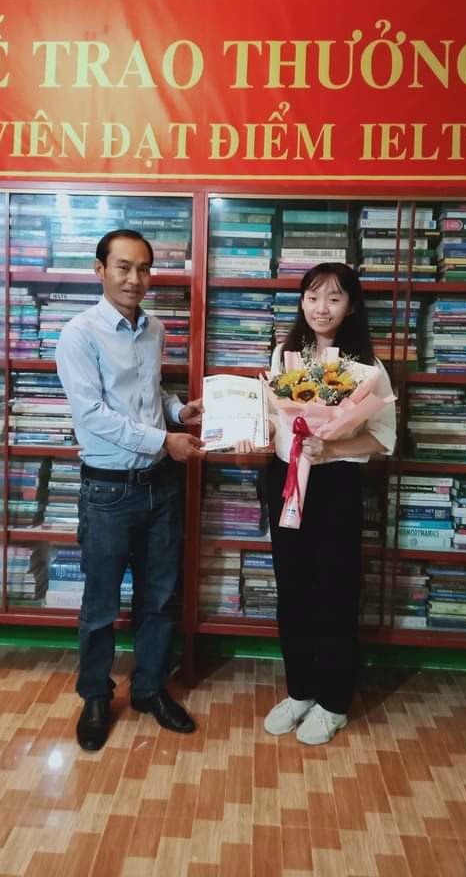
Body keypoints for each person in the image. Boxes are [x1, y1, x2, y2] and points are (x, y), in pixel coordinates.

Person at [56, 228, 206, 752]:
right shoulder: (79, 334)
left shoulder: (154, 327)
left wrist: (177, 411)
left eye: (143, 268)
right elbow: (93, 415)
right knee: (100, 605)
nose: (134, 279)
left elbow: (147, 394)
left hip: (160, 485)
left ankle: (149, 689)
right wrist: (165, 439)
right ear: (99, 270)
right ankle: (95, 697)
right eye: (123, 267)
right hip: (108, 491)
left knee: (159, 598)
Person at [236, 262, 396, 745]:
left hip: (336, 485)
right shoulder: (284, 354)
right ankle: (301, 690)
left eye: (333, 298)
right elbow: (274, 418)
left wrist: (331, 447)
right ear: (301, 302)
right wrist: (253, 435)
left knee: (335, 592)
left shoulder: (367, 367)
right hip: (286, 481)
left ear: (351, 307)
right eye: (312, 296)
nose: (321, 308)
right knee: (292, 590)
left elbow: (383, 439)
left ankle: (334, 702)